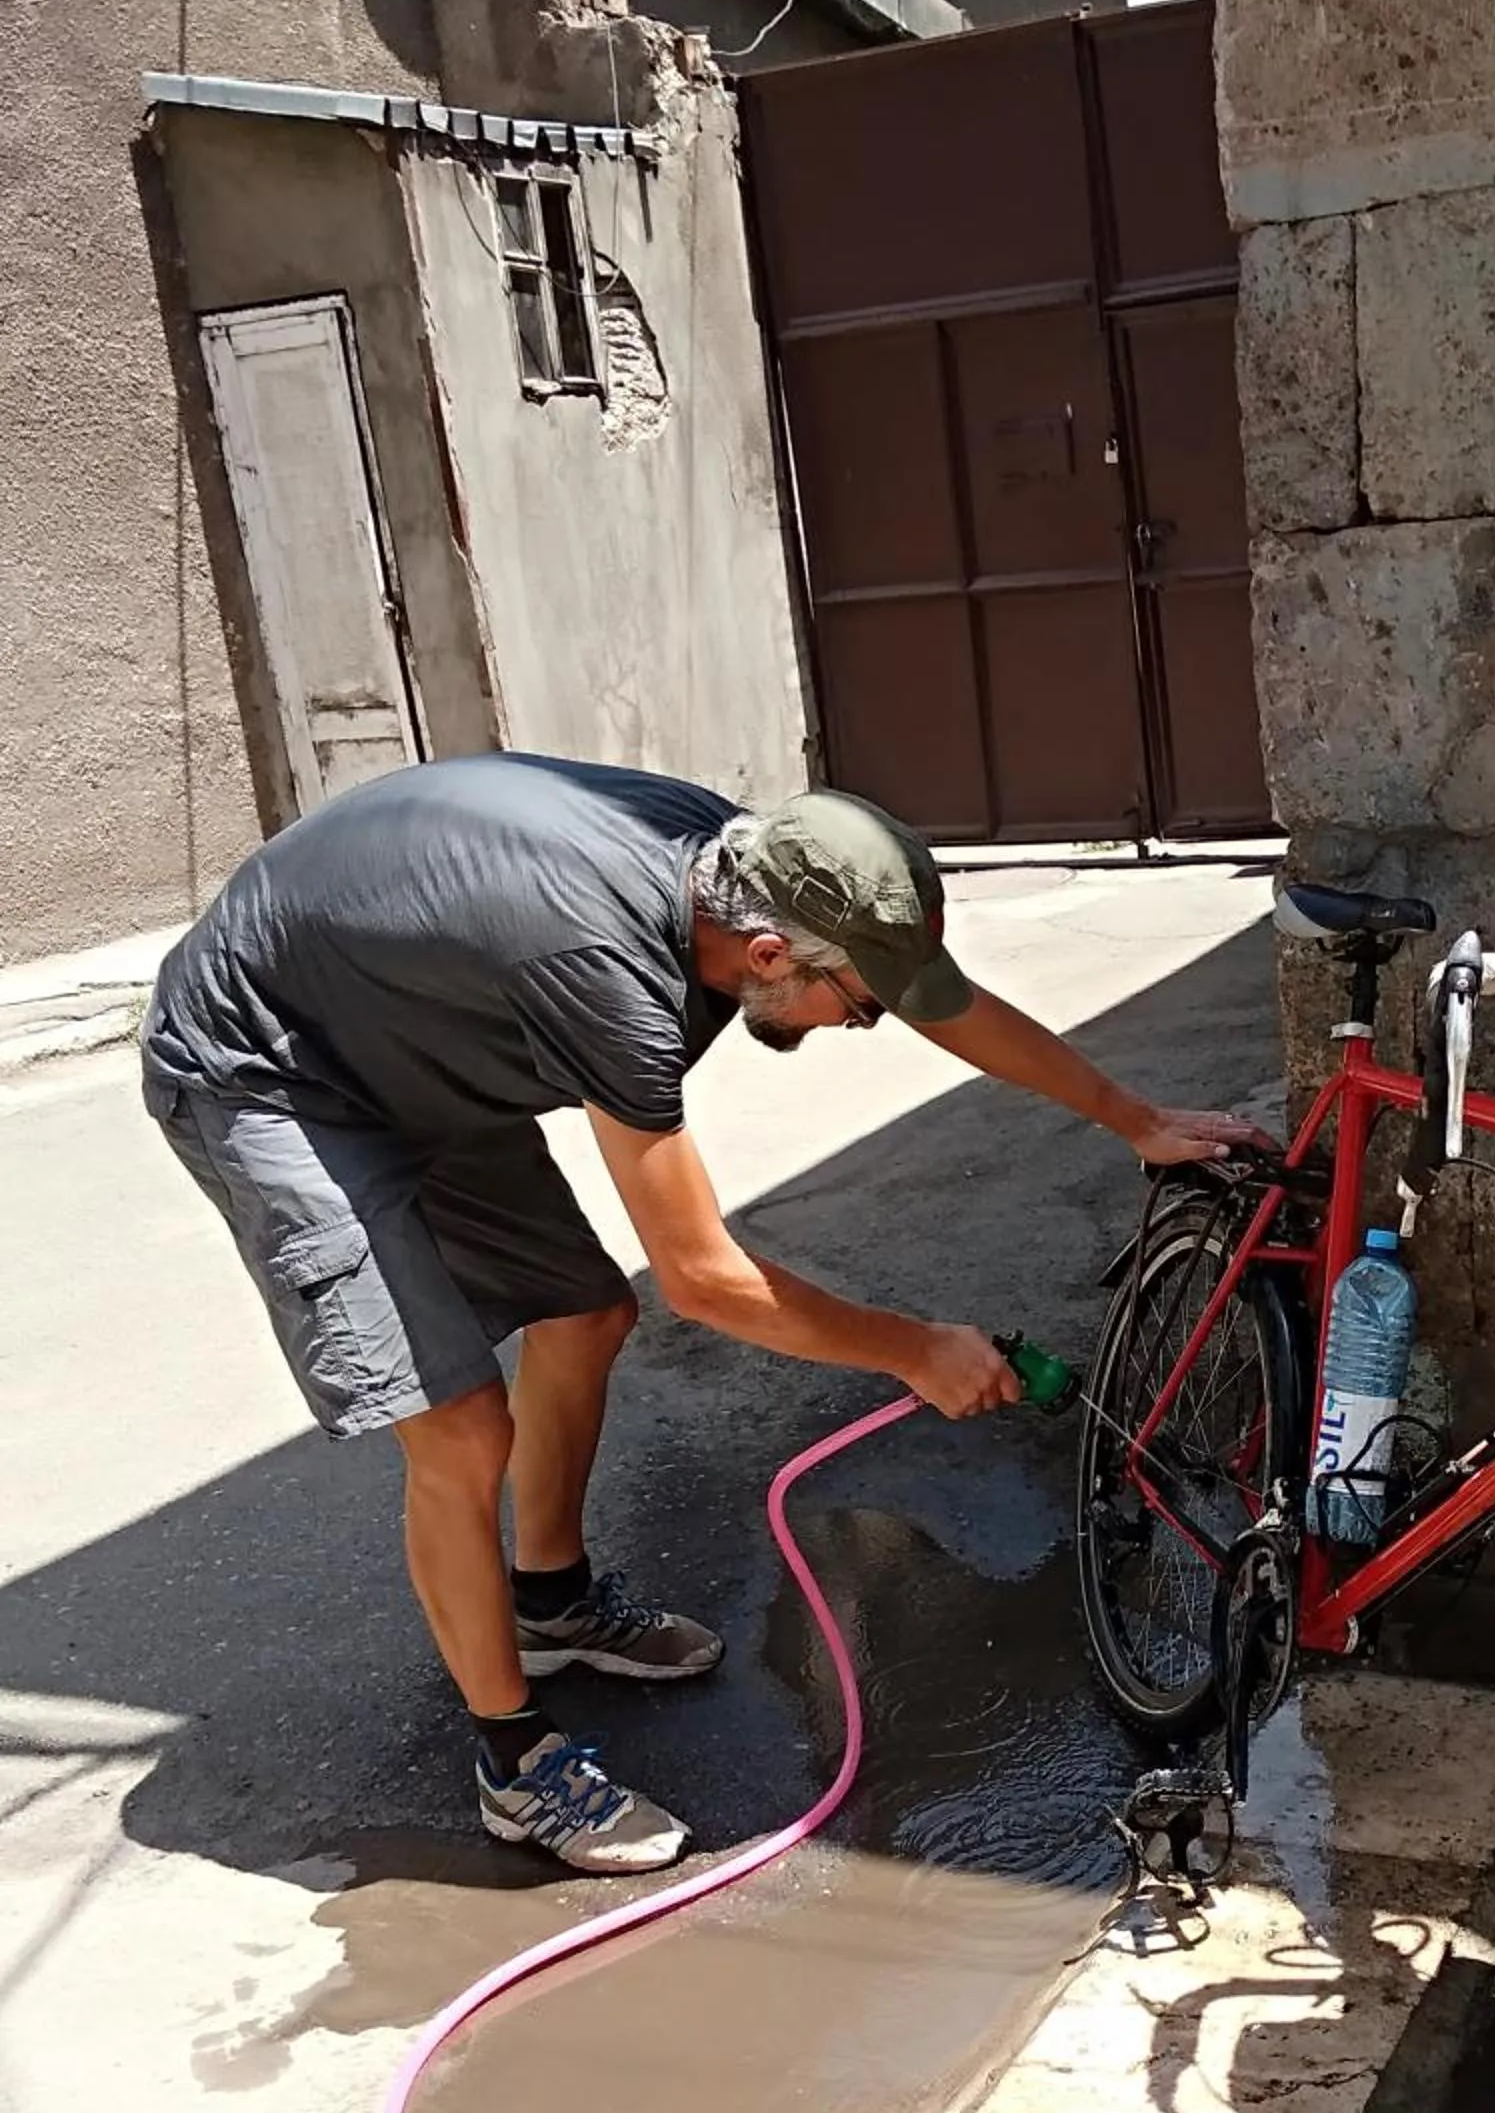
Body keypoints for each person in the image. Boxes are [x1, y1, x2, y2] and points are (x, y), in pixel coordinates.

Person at [142, 754, 1253, 1873]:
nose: (862, 1024)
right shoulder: (610, 975)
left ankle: (552, 1602)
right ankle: (516, 1764)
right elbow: (705, 1278)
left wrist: (1134, 1117)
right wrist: (912, 1350)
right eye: (854, 1003)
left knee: (582, 1315)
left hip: (419, 1043)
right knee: (460, 1427)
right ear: (770, 957)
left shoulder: (747, 866)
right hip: (275, 1072)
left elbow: (945, 1005)